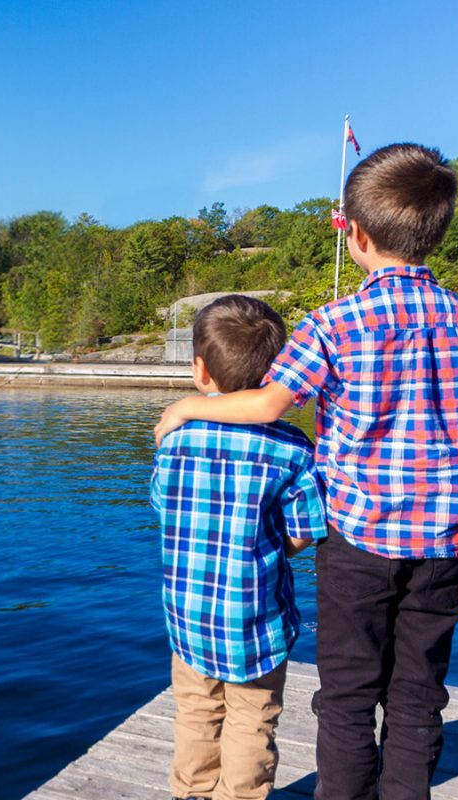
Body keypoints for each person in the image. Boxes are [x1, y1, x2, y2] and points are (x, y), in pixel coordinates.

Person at [154, 143, 458, 800]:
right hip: (445, 546)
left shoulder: (333, 323)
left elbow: (268, 402)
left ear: (357, 234)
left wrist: (184, 406)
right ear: (435, 230)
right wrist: (442, 465)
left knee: (347, 700)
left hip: (357, 544)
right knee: (416, 700)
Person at [151, 294, 326, 800]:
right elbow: (304, 530)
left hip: (189, 619)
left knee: (196, 714)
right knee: (253, 723)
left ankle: (192, 793)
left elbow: (165, 509)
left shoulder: (175, 438)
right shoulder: (292, 449)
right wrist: (264, 543)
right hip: (257, 621)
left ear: (200, 371)